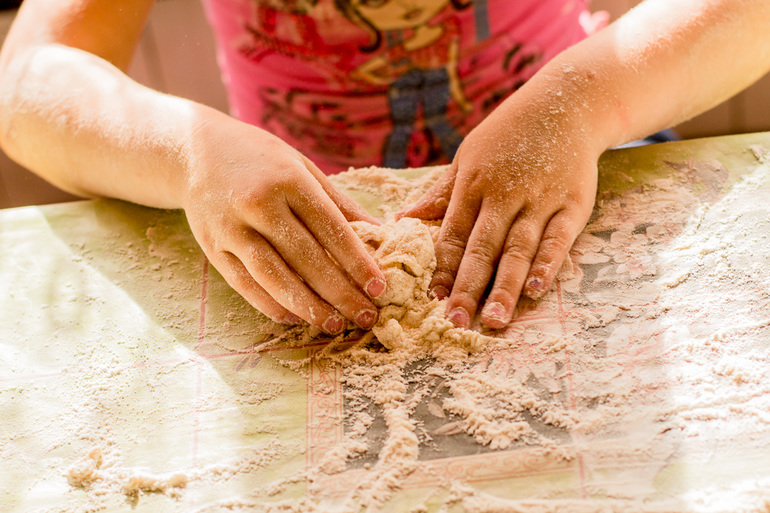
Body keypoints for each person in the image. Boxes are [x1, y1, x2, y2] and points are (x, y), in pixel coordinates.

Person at [0, 0, 768, 335]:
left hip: (587, 154)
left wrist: (583, 102)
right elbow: (26, 84)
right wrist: (189, 153)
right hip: (311, 224)